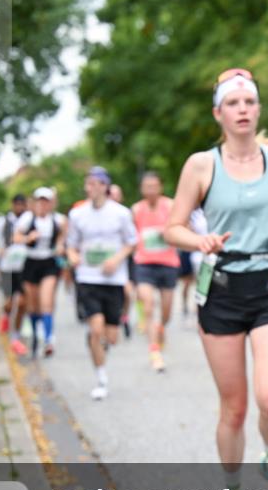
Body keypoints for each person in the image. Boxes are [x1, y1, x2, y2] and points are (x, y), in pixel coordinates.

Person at [165, 68, 268, 490]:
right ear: (219, 113)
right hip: (222, 292)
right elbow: (173, 226)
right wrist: (199, 241)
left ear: (258, 108)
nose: (243, 109)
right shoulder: (201, 165)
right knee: (235, 409)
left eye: (250, 101)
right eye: (233, 103)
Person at [67, 167, 138, 400]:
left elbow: (131, 242)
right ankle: (101, 377)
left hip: (113, 280)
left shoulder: (121, 213)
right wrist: (73, 256)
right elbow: (70, 245)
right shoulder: (77, 215)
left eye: (95, 183)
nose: (90, 187)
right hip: (88, 279)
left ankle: (99, 343)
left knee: (112, 337)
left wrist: (116, 260)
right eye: (87, 183)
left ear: (105, 186)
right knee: (96, 329)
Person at [131, 171, 182, 372]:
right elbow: (130, 236)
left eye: (154, 185)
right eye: (147, 186)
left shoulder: (170, 206)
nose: (151, 189)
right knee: (149, 306)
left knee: (167, 312)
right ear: (142, 189)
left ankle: (161, 328)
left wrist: (167, 233)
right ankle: (154, 352)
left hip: (168, 264)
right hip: (144, 264)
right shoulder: (136, 210)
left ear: (160, 187)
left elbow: (182, 228)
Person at [14, 187, 67, 358]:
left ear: (51, 203)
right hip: (31, 263)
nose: (42, 204)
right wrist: (27, 238)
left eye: (46, 201)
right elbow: (16, 237)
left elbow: (63, 237)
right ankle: (37, 334)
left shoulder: (58, 220)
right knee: (33, 304)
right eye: (39, 201)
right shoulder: (27, 219)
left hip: (48, 263)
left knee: (46, 301)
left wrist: (60, 246)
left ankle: (49, 338)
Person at [0, 193, 28, 352]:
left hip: (24, 266)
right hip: (7, 267)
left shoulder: (28, 220)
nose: (19, 207)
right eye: (17, 204)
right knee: (10, 300)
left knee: (23, 302)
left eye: (22, 204)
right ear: (13, 205)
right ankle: (6, 315)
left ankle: (16, 335)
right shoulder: (3, 221)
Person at [109, 183, 135, 339]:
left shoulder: (125, 214)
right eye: (111, 194)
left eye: (116, 194)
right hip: (106, 264)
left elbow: (133, 240)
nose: (113, 197)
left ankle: (124, 316)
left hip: (124, 261)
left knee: (127, 292)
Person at [178, 208, 209, 330]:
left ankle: (200, 314)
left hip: (208, 255)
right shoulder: (191, 212)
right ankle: (186, 306)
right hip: (193, 253)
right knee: (188, 283)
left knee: (202, 285)